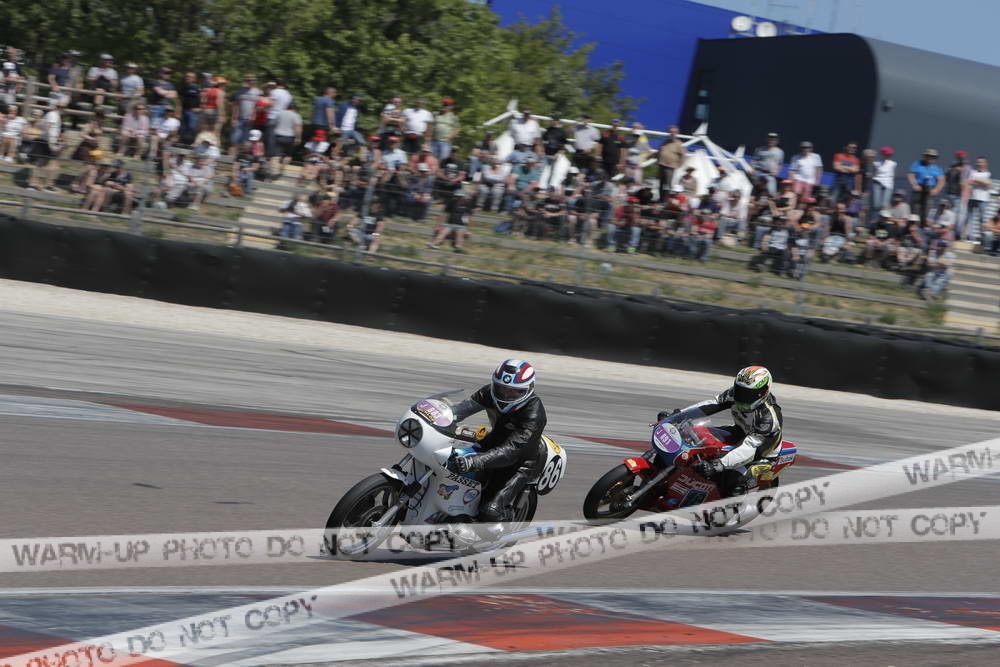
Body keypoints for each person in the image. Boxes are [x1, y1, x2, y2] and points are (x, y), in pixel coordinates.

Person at [451, 360, 547, 536]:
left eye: (514, 391)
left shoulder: (534, 413)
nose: (506, 394)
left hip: (519, 462)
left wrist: (477, 461)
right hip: (492, 444)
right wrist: (443, 417)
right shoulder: (489, 392)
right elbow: (462, 408)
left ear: (528, 388)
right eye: (502, 388)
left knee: (489, 511)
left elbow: (512, 450)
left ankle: (504, 525)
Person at [657, 366, 782, 498]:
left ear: (763, 392)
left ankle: (728, 509)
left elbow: (750, 448)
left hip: (761, 455)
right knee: (690, 437)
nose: (742, 397)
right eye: (740, 391)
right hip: (739, 433)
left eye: (748, 394)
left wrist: (720, 464)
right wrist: (678, 416)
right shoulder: (735, 394)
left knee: (731, 480)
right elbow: (712, 404)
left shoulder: (768, 417)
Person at [907, 148, 944, 223]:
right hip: (919, 187)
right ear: (925, 156)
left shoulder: (937, 168)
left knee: (927, 208)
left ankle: (923, 225)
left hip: (930, 188)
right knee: (915, 208)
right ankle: (914, 224)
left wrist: (937, 189)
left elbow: (941, 180)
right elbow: (910, 175)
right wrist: (914, 185)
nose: (930, 158)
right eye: (929, 156)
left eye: (933, 157)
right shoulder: (917, 164)